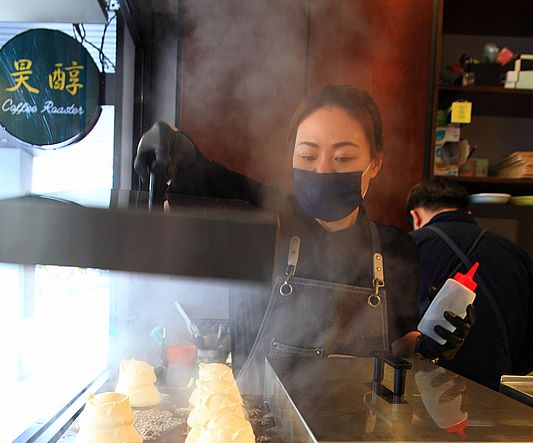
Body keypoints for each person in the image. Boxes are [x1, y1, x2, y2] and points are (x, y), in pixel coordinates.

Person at [135, 85, 474, 392]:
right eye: (308, 156)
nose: (323, 170)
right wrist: (178, 147)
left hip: (356, 434)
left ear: (375, 163)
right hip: (258, 434)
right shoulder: (266, 218)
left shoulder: (394, 248)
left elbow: (400, 343)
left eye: (342, 158)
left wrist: (432, 341)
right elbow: (208, 176)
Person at [407, 177, 533, 390]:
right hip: (498, 396)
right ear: (468, 213)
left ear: (415, 216)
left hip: (425, 395)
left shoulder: (408, 247)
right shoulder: (517, 255)